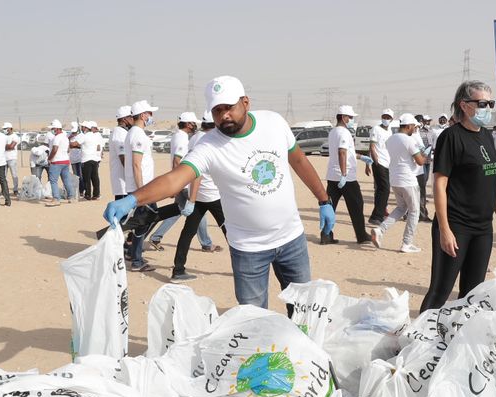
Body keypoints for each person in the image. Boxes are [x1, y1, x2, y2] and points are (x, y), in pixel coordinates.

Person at [105, 76, 335, 312]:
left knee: (304, 312)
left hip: (292, 239)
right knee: (253, 319)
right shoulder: (209, 146)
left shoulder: (274, 123)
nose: (224, 115)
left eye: (229, 107)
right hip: (248, 249)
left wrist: (324, 200)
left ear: (245, 102)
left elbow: (298, 160)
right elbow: (175, 179)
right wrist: (133, 199)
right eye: (217, 110)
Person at [420, 80, 496, 312]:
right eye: (482, 103)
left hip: (483, 228)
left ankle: (457, 339)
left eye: (490, 103)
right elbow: (439, 185)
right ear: (464, 105)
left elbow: (493, 183)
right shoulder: (451, 137)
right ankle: (416, 339)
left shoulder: (485, 136)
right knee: (440, 290)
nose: (487, 108)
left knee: (472, 293)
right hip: (457, 225)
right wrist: (444, 229)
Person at [171, 111, 228, 282]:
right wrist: (192, 199)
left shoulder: (195, 138)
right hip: (210, 195)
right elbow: (198, 173)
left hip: (200, 195)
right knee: (231, 232)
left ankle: (178, 270)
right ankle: (245, 268)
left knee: (187, 232)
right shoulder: (209, 141)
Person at [148, 112, 217, 253]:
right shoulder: (183, 138)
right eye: (193, 123)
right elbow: (177, 161)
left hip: (185, 182)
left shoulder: (187, 137)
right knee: (197, 213)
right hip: (186, 182)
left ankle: (155, 236)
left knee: (179, 211)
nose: (195, 126)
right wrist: (177, 183)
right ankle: (206, 244)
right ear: (187, 124)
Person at [370, 114, 429, 253]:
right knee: (414, 211)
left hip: (395, 179)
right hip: (408, 179)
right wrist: (425, 156)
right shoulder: (408, 140)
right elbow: (420, 161)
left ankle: (380, 229)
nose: (414, 130)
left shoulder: (391, 139)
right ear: (408, 126)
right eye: (413, 127)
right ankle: (406, 243)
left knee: (401, 208)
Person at [324, 105, 373, 244]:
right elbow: (342, 152)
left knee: (330, 207)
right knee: (357, 205)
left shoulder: (333, 132)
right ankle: (361, 235)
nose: (351, 120)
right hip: (346, 178)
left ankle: (326, 235)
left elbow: (347, 152)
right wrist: (344, 174)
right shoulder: (344, 133)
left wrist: (361, 157)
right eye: (350, 117)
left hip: (332, 175)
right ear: (344, 117)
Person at [123, 100, 160, 272]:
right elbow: (136, 164)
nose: (151, 117)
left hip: (143, 186)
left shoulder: (134, 133)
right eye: (150, 113)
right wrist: (141, 191)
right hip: (142, 187)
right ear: (144, 115)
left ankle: (133, 253)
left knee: (145, 220)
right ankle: (136, 259)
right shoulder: (137, 134)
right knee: (145, 221)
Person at [368, 108, 394, 225]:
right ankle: (378, 215)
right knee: (385, 189)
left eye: (388, 117)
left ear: (392, 119)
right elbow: (372, 146)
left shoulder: (389, 131)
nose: (386, 119)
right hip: (379, 163)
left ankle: (377, 215)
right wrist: (374, 162)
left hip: (388, 164)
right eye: (384, 117)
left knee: (381, 190)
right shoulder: (376, 129)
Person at [47, 119, 77, 204]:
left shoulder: (56, 138)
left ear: (57, 128)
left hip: (56, 162)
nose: (52, 130)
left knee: (53, 181)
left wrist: (49, 158)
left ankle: (56, 198)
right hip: (65, 161)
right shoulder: (65, 137)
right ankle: (72, 197)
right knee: (66, 180)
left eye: (53, 128)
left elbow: (54, 149)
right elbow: (67, 150)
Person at [109, 106, 132, 200]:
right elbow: (123, 158)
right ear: (124, 119)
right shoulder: (119, 133)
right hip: (123, 184)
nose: (133, 119)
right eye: (131, 117)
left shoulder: (124, 132)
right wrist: (133, 175)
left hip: (126, 182)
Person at [80, 121, 104, 200]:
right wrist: (98, 155)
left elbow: (76, 143)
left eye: (83, 127)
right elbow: (99, 147)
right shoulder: (97, 136)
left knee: (87, 178)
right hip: (95, 158)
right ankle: (96, 194)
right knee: (95, 177)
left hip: (87, 159)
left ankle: (88, 195)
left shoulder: (86, 136)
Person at [3, 122, 20, 196]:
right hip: (3, 158)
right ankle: (4, 190)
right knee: (3, 176)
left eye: (6, 128)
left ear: (10, 128)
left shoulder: (15, 136)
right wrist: (8, 146)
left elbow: (11, 147)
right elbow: (8, 146)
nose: (5, 130)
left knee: (14, 175)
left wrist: (4, 146)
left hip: (12, 158)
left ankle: (15, 189)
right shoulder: (3, 136)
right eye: (4, 129)